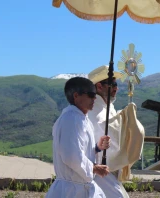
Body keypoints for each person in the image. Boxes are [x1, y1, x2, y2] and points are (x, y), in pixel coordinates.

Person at [46, 77, 111, 198]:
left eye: (95, 94)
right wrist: (94, 168)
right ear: (76, 96)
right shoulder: (70, 119)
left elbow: (80, 151)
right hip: (71, 191)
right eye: (91, 94)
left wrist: (97, 148)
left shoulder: (82, 119)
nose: (95, 98)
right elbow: (71, 156)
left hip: (80, 188)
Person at [88, 65, 145, 198]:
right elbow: (106, 129)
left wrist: (125, 117)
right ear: (99, 86)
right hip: (98, 168)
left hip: (107, 169)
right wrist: (125, 117)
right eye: (111, 84)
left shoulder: (108, 106)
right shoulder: (94, 108)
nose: (116, 88)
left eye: (116, 84)